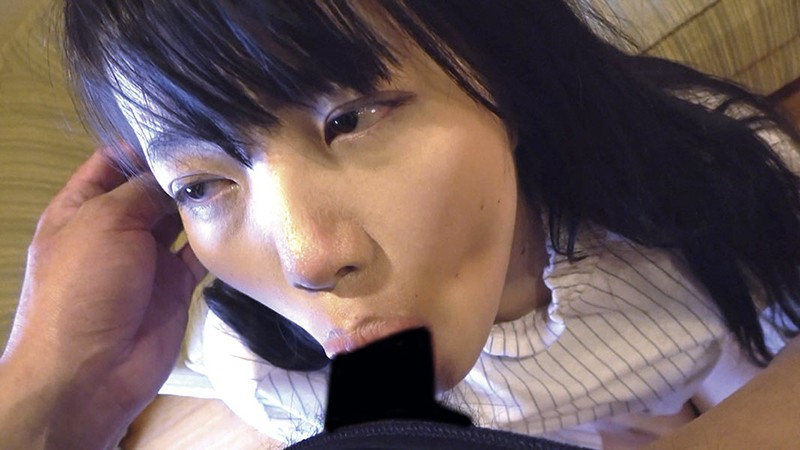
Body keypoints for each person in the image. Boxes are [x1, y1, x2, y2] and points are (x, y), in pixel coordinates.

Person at [4, 0, 800, 447]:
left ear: (503, 73)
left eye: (350, 120)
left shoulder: (708, 202)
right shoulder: (268, 370)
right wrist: (48, 384)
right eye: (203, 184)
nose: (308, 259)